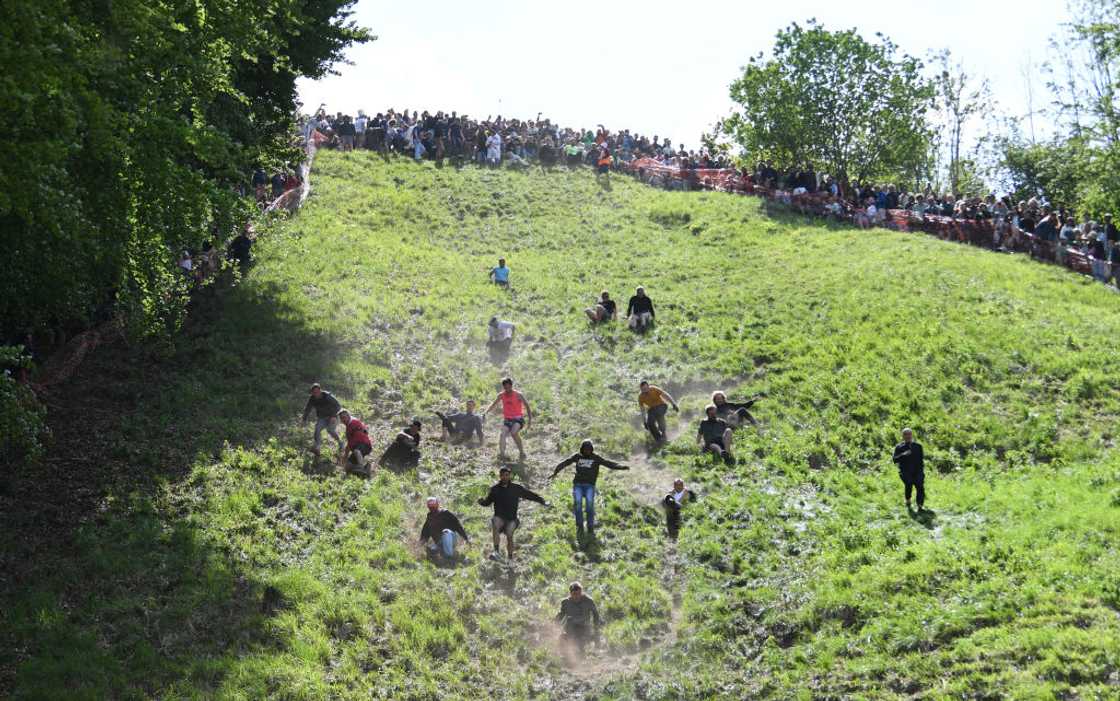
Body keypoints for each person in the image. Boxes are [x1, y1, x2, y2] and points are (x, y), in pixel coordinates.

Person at [548, 439, 629, 534]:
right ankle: (580, 526)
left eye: (589, 449)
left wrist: (621, 467)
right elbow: (565, 463)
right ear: (582, 449)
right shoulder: (577, 456)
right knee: (578, 505)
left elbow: (608, 463)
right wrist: (555, 472)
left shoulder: (595, 458)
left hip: (590, 485)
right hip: (578, 484)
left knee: (589, 507)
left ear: (591, 449)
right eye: (585, 449)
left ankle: (590, 527)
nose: (587, 451)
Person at [477, 466, 549, 561]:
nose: (505, 477)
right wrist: (481, 502)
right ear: (500, 476)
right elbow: (487, 502)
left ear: (510, 476)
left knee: (509, 535)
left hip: (512, 519)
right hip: (500, 517)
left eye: (507, 475)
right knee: (495, 522)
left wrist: (542, 501)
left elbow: (530, 495)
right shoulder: (495, 489)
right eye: (503, 475)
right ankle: (496, 552)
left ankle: (510, 559)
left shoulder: (516, 488)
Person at [484, 377, 532, 461]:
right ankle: (502, 455)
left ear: (511, 386)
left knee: (514, 432)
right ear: (503, 387)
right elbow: (494, 404)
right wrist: (486, 412)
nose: (507, 389)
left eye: (508, 387)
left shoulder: (518, 395)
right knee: (502, 434)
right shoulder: (501, 395)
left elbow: (527, 406)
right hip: (507, 419)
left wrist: (530, 421)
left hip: (518, 419)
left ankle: (521, 452)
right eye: (505, 387)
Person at [555, 581, 602, 655]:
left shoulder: (588, 601)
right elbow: (561, 615)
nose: (577, 596)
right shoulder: (566, 603)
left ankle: (589, 651)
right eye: (574, 594)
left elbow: (596, 614)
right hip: (571, 629)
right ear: (570, 593)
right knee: (561, 638)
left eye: (579, 593)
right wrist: (554, 623)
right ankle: (563, 655)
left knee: (581, 646)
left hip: (584, 629)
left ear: (581, 592)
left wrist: (596, 629)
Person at [301, 383, 344, 456]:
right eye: (314, 393)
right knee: (317, 429)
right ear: (312, 393)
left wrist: (333, 416)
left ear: (320, 390)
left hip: (333, 416)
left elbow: (338, 406)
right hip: (322, 417)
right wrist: (304, 419)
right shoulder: (312, 398)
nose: (316, 394)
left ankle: (340, 443)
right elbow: (308, 409)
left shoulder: (327, 396)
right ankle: (317, 447)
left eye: (317, 392)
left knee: (330, 430)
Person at [892, 427, 926, 511]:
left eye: (909, 434)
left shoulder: (918, 446)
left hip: (917, 471)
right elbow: (895, 460)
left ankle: (920, 505)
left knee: (920, 487)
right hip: (905, 471)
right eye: (905, 434)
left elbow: (921, 460)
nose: (907, 436)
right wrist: (903, 454)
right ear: (902, 436)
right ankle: (908, 500)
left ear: (912, 435)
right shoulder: (899, 447)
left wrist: (922, 472)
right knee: (909, 485)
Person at [337, 408, 373, 475]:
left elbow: (364, 430)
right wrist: (345, 457)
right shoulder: (348, 430)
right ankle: (366, 468)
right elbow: (349, 445)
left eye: (344, 417)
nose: (343, 420)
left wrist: (363, 430)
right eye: (341, 418)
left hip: (365, 445)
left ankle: (362, 468)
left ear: (349, 416)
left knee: (357, 451)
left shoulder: (355, 422)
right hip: (357, 449)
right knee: (347, 467)